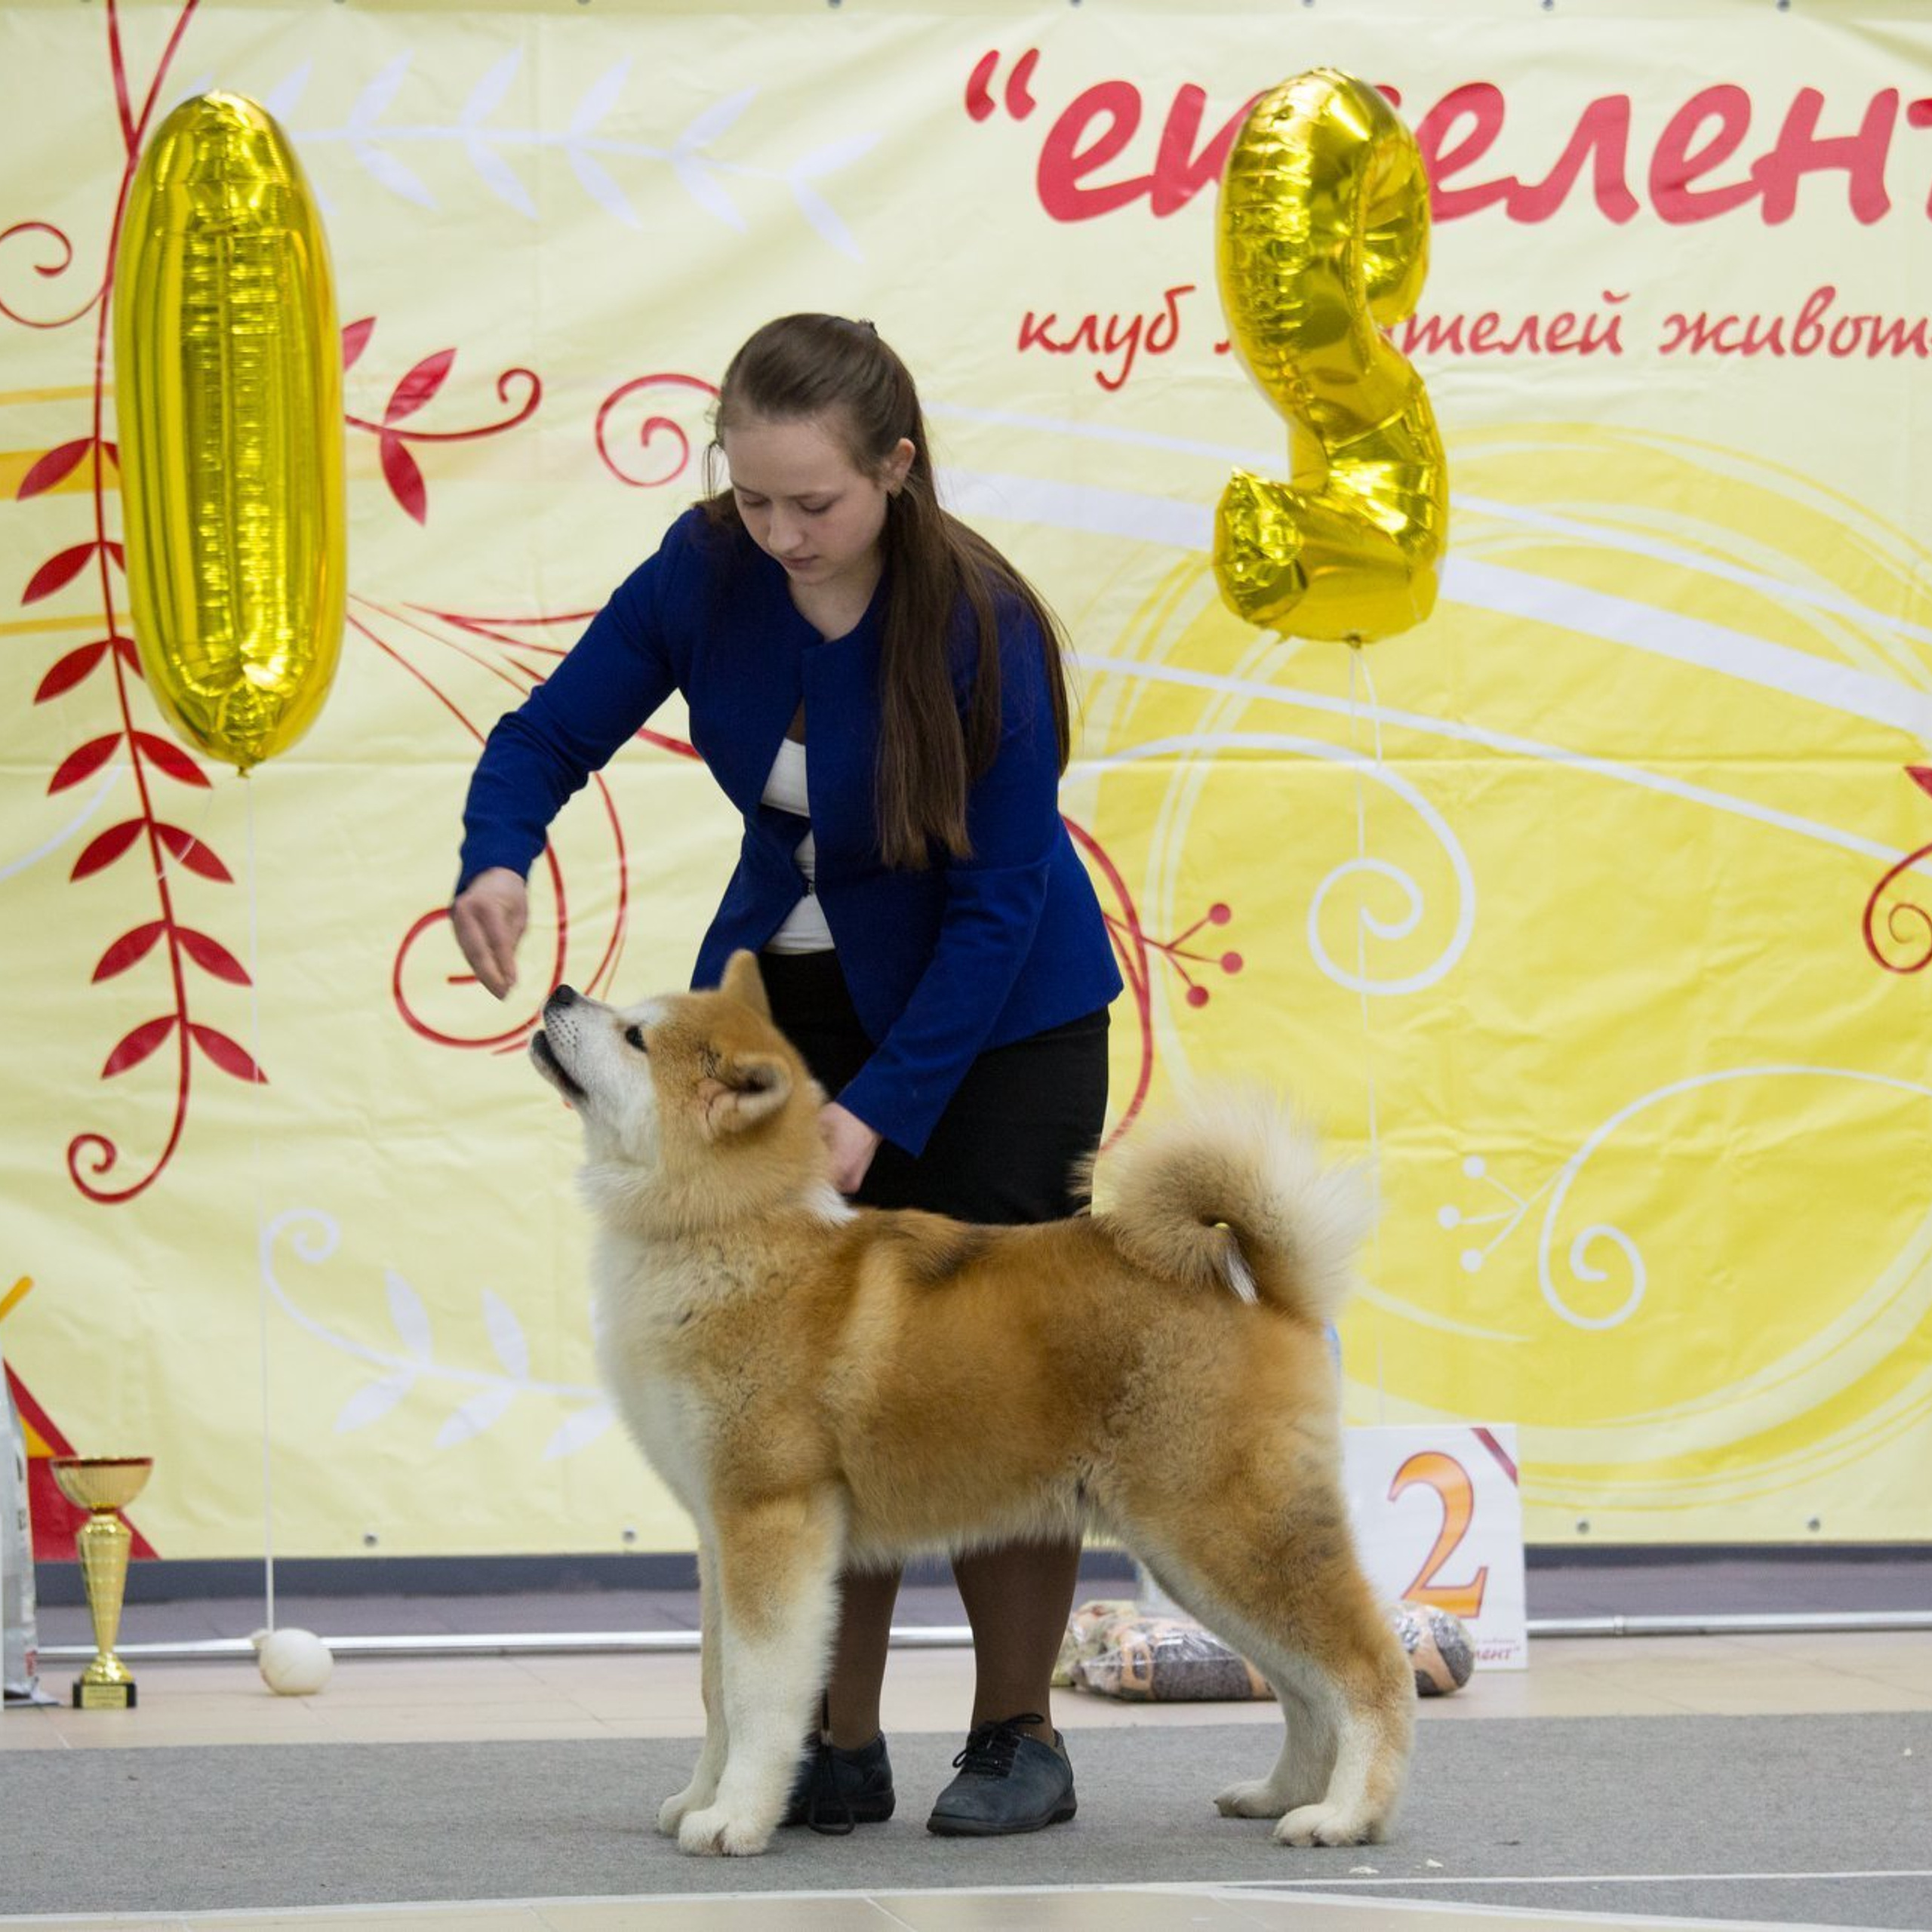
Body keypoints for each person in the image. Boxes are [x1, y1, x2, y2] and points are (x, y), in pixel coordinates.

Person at [451, 313, 1122, 1837]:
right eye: (751, 498)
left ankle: (1018, 1731)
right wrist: (494, 855)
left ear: (895, 467)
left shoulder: (984, 621)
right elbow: (548, 728)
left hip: (1003, 1016)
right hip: (793, 1002)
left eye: (811, 503)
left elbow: (1001, 897)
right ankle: (833, 1739)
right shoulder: (704, 570)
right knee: (805, 1381)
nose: (780, 534)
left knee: (1001, 1377)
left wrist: (877, 1109)